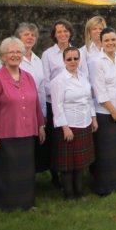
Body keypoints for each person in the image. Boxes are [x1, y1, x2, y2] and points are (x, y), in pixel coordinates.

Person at [0, 37, 45, 210]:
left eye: (18, 52)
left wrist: (40, 125)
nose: (15, 55)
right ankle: (2, 204)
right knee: (5, 171)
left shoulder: (29, 78)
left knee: (24, 171)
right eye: (11, 52)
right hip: (5, 134)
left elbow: (36, 104)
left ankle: (25, 203)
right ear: (2, 56)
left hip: (27, 133)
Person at [0, 23, 49, 174]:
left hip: (34, 111)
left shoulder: (38, 61)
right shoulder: (7, 61)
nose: (30, 37)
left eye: (33, 35)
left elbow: (42, 90)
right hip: (13, 113)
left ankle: (28, 182)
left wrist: (42, 116)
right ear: (19, 37)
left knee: (32, 152)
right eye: (26, 34)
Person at [90, 27, 116, 196]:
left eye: (113, 39)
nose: (110, 43)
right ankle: (105, 186)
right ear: (101, 42)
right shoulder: (96, 62)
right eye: (106, 40)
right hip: (105, 114)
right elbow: (99, 91)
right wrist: (114, 111)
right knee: (106, 152)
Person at [50, 46, 98, 199]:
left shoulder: (83, 77)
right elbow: (56, 106)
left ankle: (80, 191)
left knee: (80, 163)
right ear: (64, 60)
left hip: (84, 123)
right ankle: (69, 194)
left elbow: (89, 99)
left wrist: (93, 118)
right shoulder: (59, 80)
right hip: (69, 125)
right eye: (69, 59)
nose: (72, 61)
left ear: (79, 59)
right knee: (68, 165)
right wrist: (65, 127)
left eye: (75, 58)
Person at [41, 19, 75, 188]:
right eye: (59, 32)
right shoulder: (48, 54)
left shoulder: (75, 52)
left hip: (73, 104)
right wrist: (58, 95)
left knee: (71, 138)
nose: (63, 34)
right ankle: (56, 174)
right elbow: (45, 81)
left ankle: (72, 170)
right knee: (56, 140)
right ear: (54, 35)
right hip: (54, 102)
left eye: (65, 31)